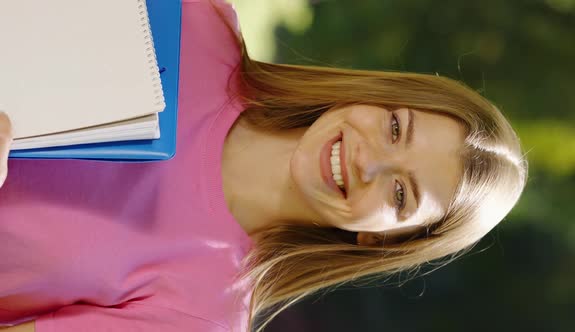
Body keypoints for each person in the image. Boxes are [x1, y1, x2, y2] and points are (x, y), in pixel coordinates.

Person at [0, 0, 528, 331]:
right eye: (395, 128)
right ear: (376, 95)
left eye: (400, 195)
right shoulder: (197, 17)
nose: (370, 161)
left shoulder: (198, 318)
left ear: (385, 241)